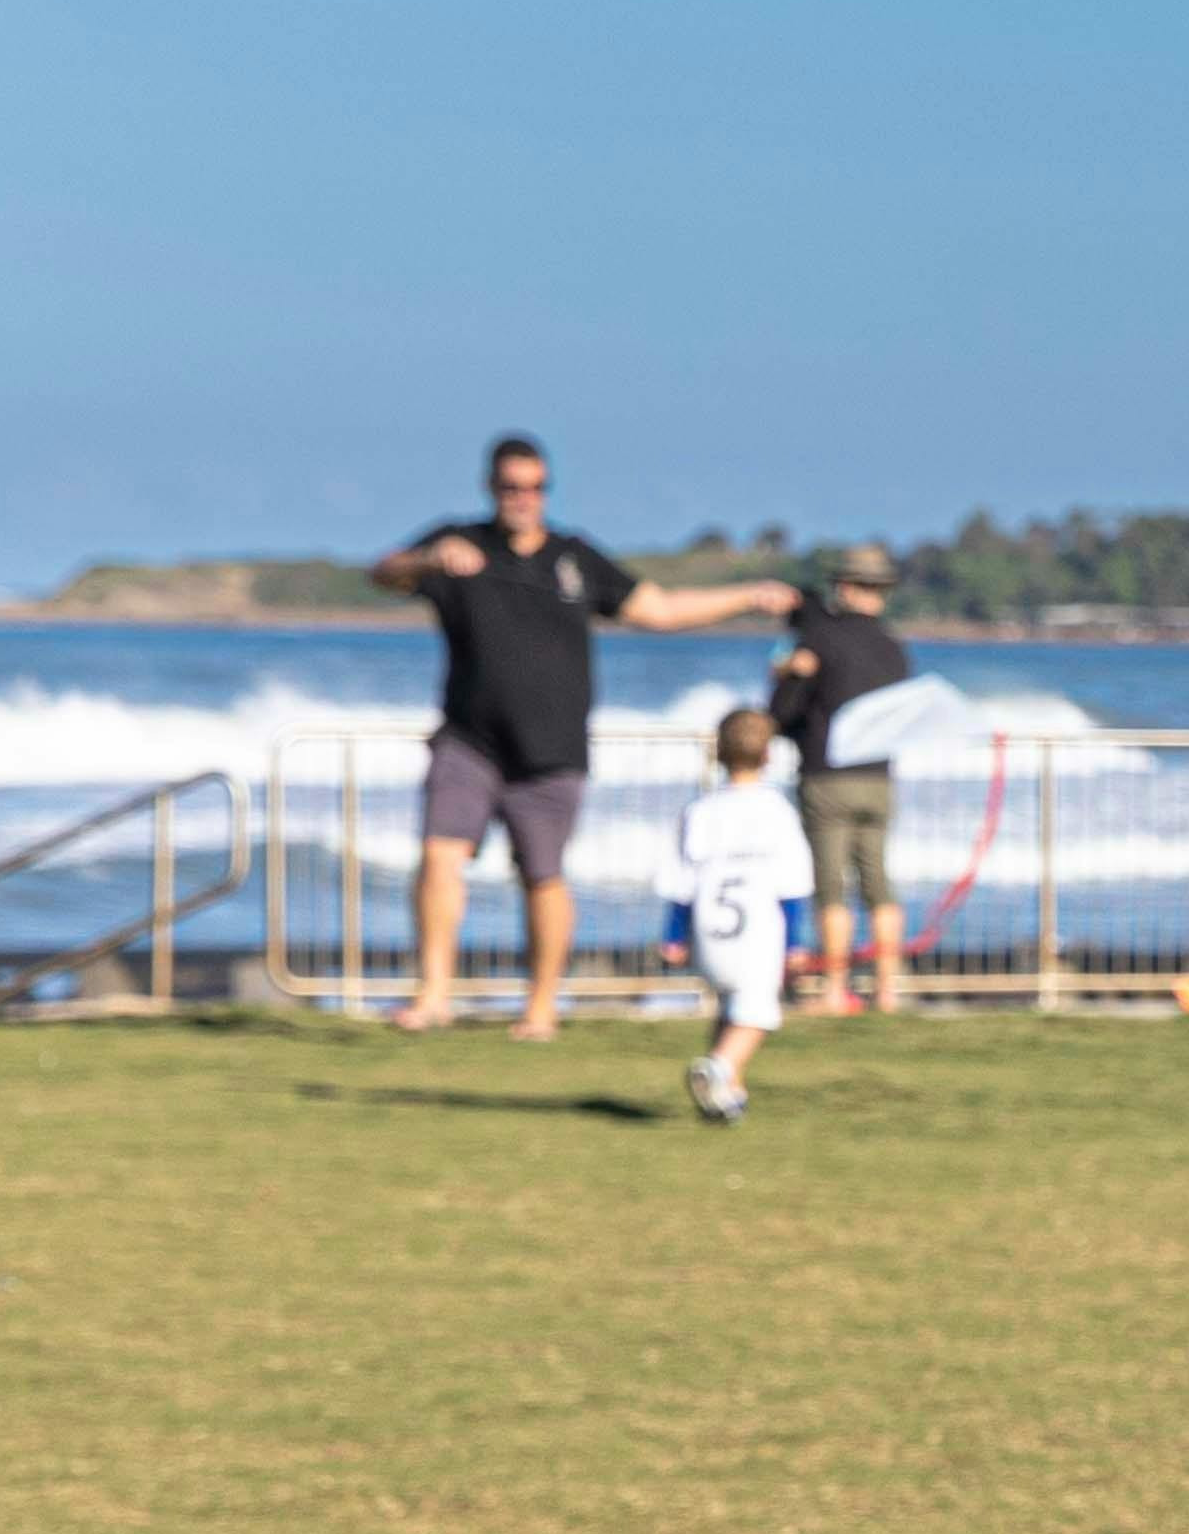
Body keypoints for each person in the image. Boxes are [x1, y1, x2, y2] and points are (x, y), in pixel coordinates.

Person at [370, 436, 797, 1037]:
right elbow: (382, 573)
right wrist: (430, 560)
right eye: (511, 487)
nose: (523, 498)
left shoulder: (575, 559)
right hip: (468, 741)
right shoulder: (458, 544)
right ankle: (433, 995)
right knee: (440, 858)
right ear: (491, 487)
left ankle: (541, 1009)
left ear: (547, 489)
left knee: (543, 876)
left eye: (534, 487)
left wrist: (749, 596)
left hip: (552, 752)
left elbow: (662, 610)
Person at [769, 543, 918, 1016]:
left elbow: (782, 711)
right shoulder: (896, 650)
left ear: (846, 587)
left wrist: (784, 677)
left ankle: (835, 989)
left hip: (827, 774)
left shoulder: (820, 640)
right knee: (879, 883)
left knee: (831, 887)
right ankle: (888, 988)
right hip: (879, 777)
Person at [662, 707, 816, 1125]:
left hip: (709, 932)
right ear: (769, 755)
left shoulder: (701, 810)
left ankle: (728, 1096)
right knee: (758, 1013)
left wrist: (672, 935)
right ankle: (719, 1068)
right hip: (757, 931)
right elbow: (794, 885)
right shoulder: (777, 811)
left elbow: (681, 880)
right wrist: (797, 943)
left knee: (731, 1008)